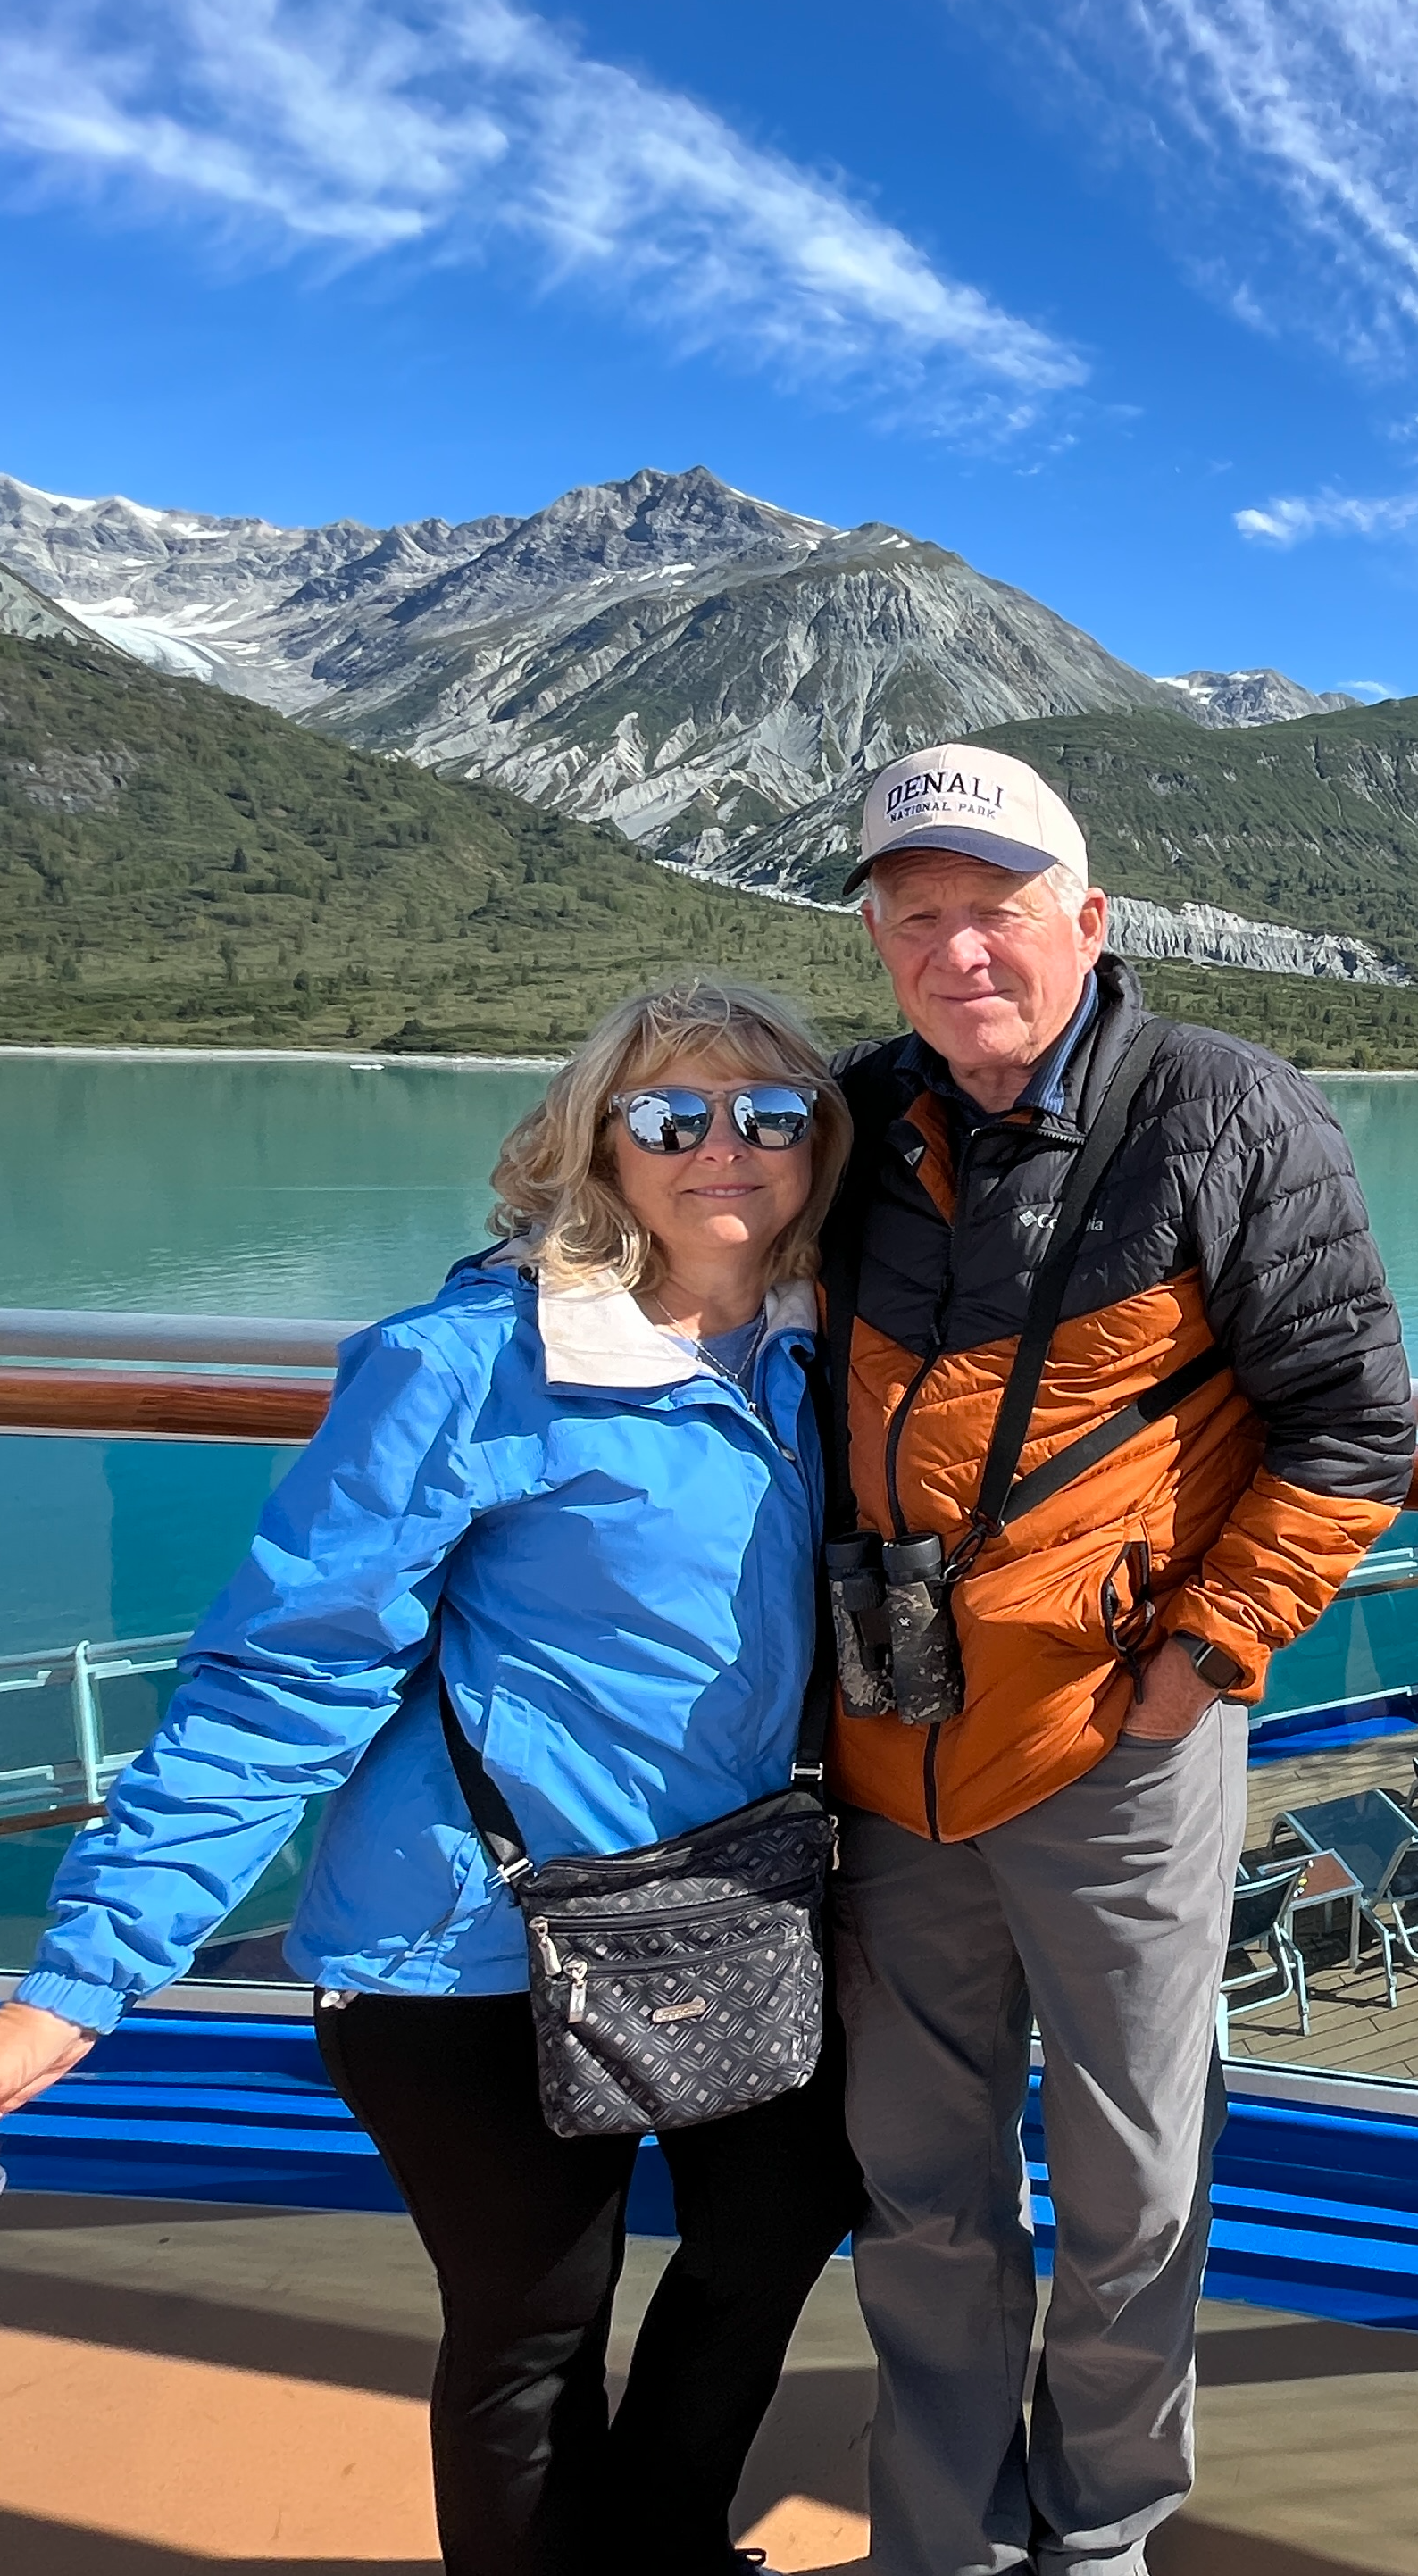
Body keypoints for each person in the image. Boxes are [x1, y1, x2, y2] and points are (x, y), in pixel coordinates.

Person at [0, 979, 863, 2576]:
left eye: (770, 1114)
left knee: (786, 2208)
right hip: (463, 1939)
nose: (723, 1149)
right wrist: (80, 1979)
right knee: (533, 2331)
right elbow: (285, 1674)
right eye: (672, 1116)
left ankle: (656, 2545)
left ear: (824, 1141)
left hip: (706, 1910)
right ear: (601, 1144)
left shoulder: (824, 1346)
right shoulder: (470, 1361)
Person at [822, 742, 1414, 2576]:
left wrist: (1204, 1660)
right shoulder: (849, 1124)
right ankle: (944, 2542)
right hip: (890, 1748)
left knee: (1132, 2185)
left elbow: (1351, 1428)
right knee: (916, 2195)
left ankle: (1101, 2537)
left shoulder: (1233, 1114)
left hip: (1116, 1752)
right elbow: (657, 1252)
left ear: (1087, 922)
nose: (957, 951)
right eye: (914, 918)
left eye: (993, 913)